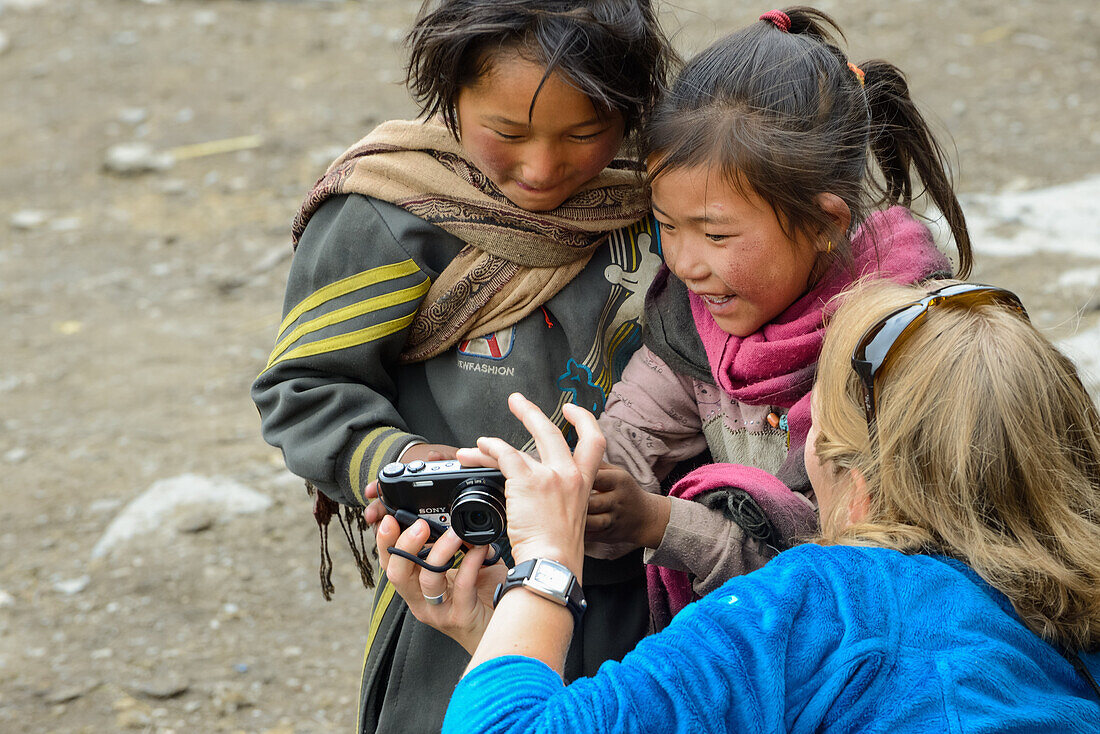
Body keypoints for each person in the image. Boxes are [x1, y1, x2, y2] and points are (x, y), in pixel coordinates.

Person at [379, 279, 1100, 732]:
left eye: (812, 429)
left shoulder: (822, 603)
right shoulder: (1070, 605)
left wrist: (545, 566)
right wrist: (494, 638)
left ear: (861, 478)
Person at [249, 1, 673, 731]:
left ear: (633, 112)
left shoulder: (662, 201)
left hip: (639, 583)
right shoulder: (391, 215)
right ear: (450, 97)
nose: (542, 168)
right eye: (506, 133)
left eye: (585, 133)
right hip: (460, 589)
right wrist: (408, 462)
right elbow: (306, 389)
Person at [575, 6, 976, 628]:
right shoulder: (694, 323)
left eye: (715, 233)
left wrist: (655, 521)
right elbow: (629, 439)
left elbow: (838, 570)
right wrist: (550, 484)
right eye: (667, 225)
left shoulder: (904, 354)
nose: (683, 262)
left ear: (824, 224)